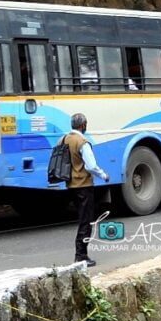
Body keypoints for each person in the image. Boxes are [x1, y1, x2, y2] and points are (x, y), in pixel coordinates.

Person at [65, 113, 109, 267]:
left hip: (71, 185)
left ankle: (80, 254)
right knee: (86, 221)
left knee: (81, 219)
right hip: (83, 185)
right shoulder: (82, 142)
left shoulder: (65, 139)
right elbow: (90, 166)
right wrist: (103, 175)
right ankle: (81, 256)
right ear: (83, 125)